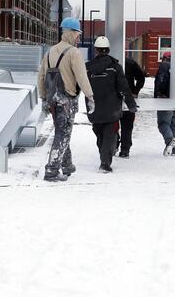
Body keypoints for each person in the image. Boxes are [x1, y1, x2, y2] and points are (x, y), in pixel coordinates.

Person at [37, 17, 95, 182]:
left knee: (61, 132)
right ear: (71, 33)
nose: (78, 37)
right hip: (66, 101)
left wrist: (43, 98)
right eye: (77, 34)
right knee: (63, 134)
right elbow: (82, 77)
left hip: (52, 100)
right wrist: (90, 96)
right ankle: (52, 171)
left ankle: (67, 165)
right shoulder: (73, 53)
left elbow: (41, 76)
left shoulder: (49, 52)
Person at [86, 37, 137, 172]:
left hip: (94, 108)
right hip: (112, 109)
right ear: (108, 50)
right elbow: (123, 88)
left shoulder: (88, 68)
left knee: (99, 134)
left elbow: (81, 86)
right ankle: (105, 163)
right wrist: (131, 105)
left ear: (96, 50)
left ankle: (104, 156)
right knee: (110, 135)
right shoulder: (115, 67)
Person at [116, 56, 145, 158]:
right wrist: (135, 91)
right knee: (127, 126)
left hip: (114, 99)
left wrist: (135, 91)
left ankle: (116, 145)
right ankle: (124, 150)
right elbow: (141, 77)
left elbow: (141, 77)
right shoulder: (130, 62)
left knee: (112, 124)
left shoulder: (112, 62)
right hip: (128, 98)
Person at [154, 51, 175, 156]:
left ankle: (170, 140)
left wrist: (161, 93)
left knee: (163, 123)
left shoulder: (164, 66)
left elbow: (162, 80)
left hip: (165, 100)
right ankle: (174, 150)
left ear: (164, 58)